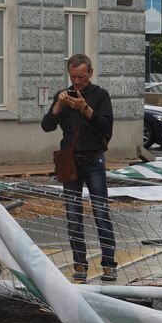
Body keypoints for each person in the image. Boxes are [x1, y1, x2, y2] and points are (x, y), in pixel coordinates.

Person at [41, 53, 116, 284]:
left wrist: (85, 108)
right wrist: (58, 105)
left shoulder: (100, 95)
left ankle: (108, 264)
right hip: (70, 161)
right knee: (73, 216)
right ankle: (80, 264)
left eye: (81, 77)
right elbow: (46, 126)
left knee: (101, 212)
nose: (77, 82)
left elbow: (106, 126)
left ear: (90, 73)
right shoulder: (62, 96)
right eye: (73, 77)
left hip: (94, 160)